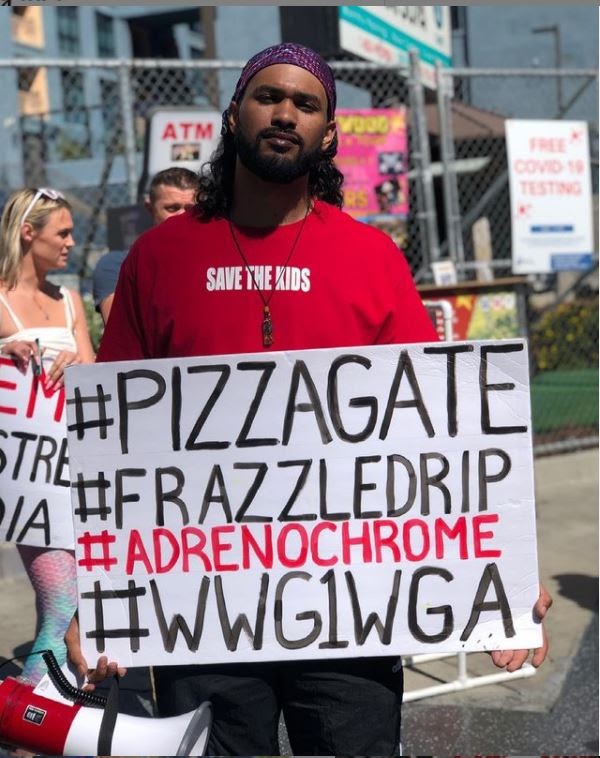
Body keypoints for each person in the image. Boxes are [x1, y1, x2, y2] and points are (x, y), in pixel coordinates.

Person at [66, 43, 552, 755]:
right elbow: (116, 452)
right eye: (269, 96)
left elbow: (443, 431)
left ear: (328, 132)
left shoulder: (371, 257)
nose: (286, 112)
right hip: (201, 608)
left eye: (307, 103)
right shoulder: (160, 259)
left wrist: (504, 570)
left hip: (352, 601)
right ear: (235, 115)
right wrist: (98, 593)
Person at [0, 187, 95, 684]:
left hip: (73, 469)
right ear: (27, 233)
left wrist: (79, 361)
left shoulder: (70, 302)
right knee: (62, 602)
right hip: (26, 481)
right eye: (62, 232)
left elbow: (93, 371)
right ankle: (24, 729)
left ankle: (53, 714)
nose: (71, 243)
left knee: (59, 606)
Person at [92, 167, 199, 323]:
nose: (182, 216)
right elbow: (120, 328)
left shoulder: (216, 260)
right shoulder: (119, 265)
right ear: (149, 208)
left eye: (191, 209)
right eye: (172, 208)